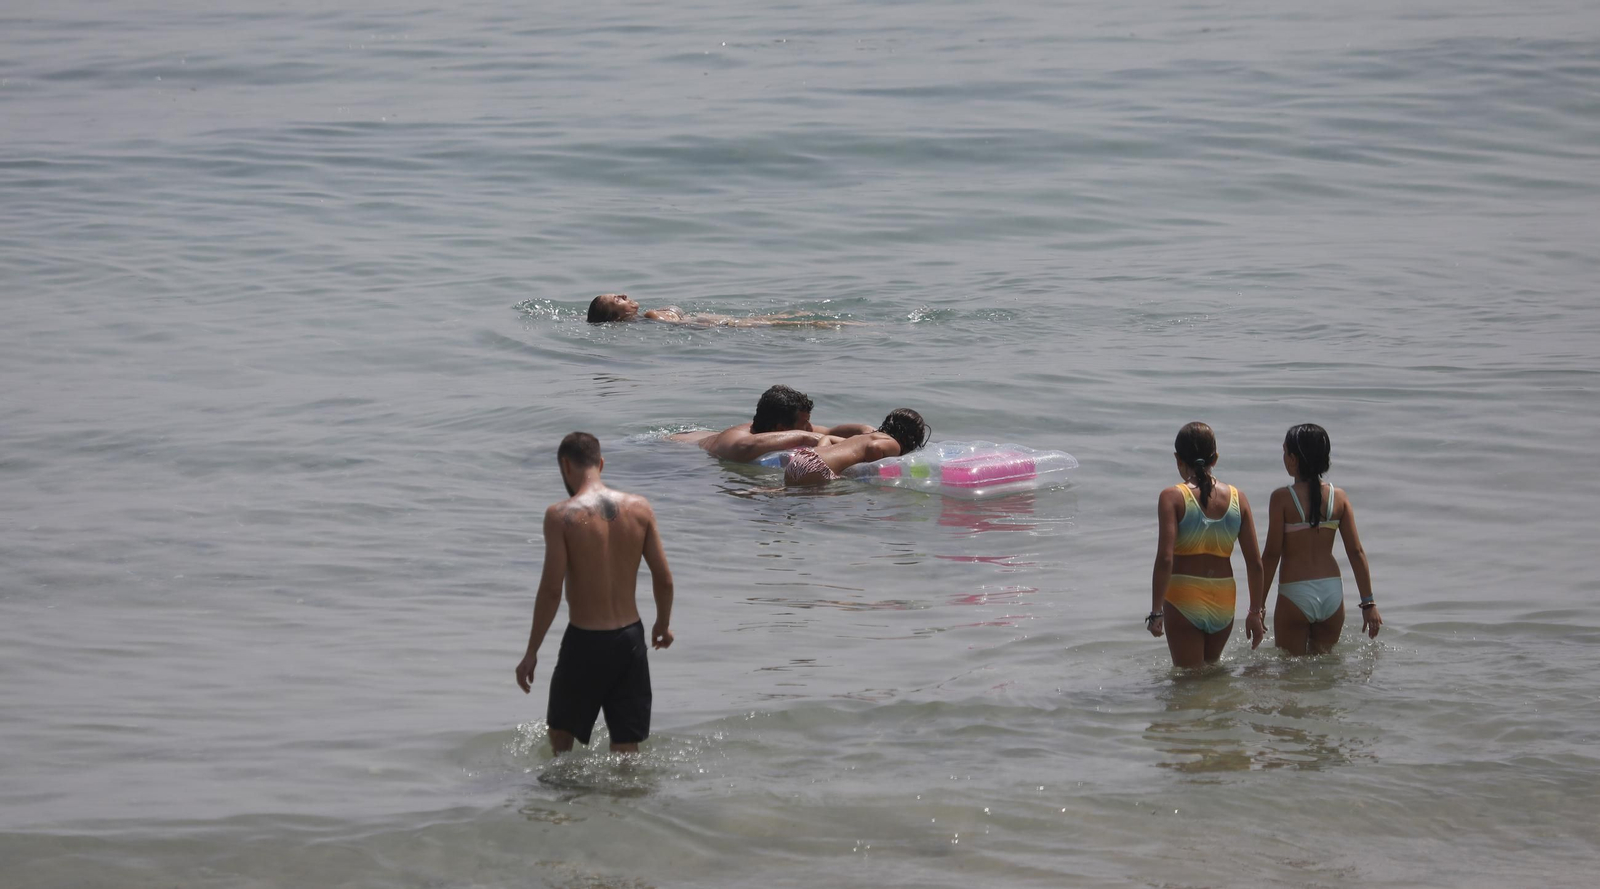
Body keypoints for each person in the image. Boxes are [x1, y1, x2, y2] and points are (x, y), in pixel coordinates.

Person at [514, 432, 674, 754]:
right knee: (626, 745)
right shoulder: (640, 508)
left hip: (585, 641)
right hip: (631, 640)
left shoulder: (560, 516)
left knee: (561, 738)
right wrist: (663, 623)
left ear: (565, 465)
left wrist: (531, 651)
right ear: (600, 464)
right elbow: (664, 578)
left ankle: (564, 789)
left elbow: (551, 591)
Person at [1148, 422, 1264, 667]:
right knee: (1211, 675)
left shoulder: (1172, 497)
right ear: (1216, 458)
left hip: (1184, 598)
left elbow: (1165, 559)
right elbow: (1255, 563)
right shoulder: (1238, 498)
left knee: (1188, 682)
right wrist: (1255, 612)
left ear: (1178, 459)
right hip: (1224, 601)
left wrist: (1156, 611)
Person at [1257, 424, 1380, 655]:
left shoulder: (1282, 498)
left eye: (1284, 452)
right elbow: (1356, 552)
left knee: (1290, 670)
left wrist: (1257, 607)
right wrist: (1368, 603)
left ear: (1293, 459)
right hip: (1332, 593)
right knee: (1325, 668)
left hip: (1295, 592)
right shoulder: (1339, 497)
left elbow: (1271, 555)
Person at [669, 384, 876, 462]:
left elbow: (830, 430)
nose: (810, 428)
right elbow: (746, 447)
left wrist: (866, 431)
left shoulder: (788, 427)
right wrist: (811, 438)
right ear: (780, 429)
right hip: (673, 449)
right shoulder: (737, 441)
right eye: (805, 424)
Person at [784, 408, 931, 485]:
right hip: (818, 467)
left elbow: (826, 438)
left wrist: (818, 454)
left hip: (804, 457)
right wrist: (871, 471)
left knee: (790, 492)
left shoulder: (864, 437)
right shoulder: (894, 444)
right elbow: (874, 448)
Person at [586, 293, 859, 328]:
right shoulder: (651, 316)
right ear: (617, 316)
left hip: (724, 323)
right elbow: (676, 314)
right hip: (723, 326)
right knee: (791, 323)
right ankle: (845, 325)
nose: (624, 295)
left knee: (785, 320)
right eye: (617, 299)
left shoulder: (649, 319)